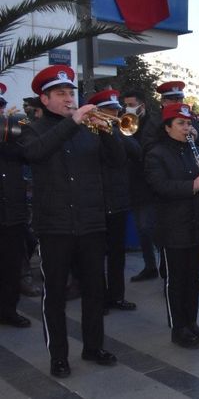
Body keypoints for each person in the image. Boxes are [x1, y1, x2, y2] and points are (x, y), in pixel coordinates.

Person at [21, 65, 124, 377]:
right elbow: (35, 154)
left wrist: (108, 131)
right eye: (61, 94)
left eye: (71, 93)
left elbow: (118, 160)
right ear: (45, 98)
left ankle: (93, 347)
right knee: (55, 294)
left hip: (91, 222)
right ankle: (59, 356)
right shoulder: (32, 129)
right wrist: (73, 122)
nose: (69, 99)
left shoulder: (89, 128)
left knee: (95, 289)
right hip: (55, 226)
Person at [144, 102, 199, 348]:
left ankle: (192, 322)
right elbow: (159, 186)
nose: (187, 128)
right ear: (167, 128)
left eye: (188, 123)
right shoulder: (156, 154)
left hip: (197, 222)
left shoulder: (193, 148)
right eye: (181, 124)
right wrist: (193, 185)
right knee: (176, 280)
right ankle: (179, 327)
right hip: (173, 225)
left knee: (193, 278)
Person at [88, 90, 139, 313]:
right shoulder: (87, 133)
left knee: (117, 254)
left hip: (117, 200)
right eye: (110, 110)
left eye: (116, 110)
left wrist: (115, 132)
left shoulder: (118, 132)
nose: (115, 113)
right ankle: (98, 299)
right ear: (97, 111)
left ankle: (117, 296)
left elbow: (135, 153)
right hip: (96, 202)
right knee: (96, 256)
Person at [0, 82, 32, 329]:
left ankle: (9, 310)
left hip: (12, 213)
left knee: (11, 266)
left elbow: (28, 154)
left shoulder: (13, 139)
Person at [122, 91, 161, 282]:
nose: (127, 108)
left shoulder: (152, 123)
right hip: (133, 182)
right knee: (141, 227)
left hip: (149, 184)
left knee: (149, 227)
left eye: (130, 103)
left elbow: (145, 150)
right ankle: (150, 265)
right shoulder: (126, 121)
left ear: (142, 106)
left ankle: (164, 265)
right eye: (125, 104)